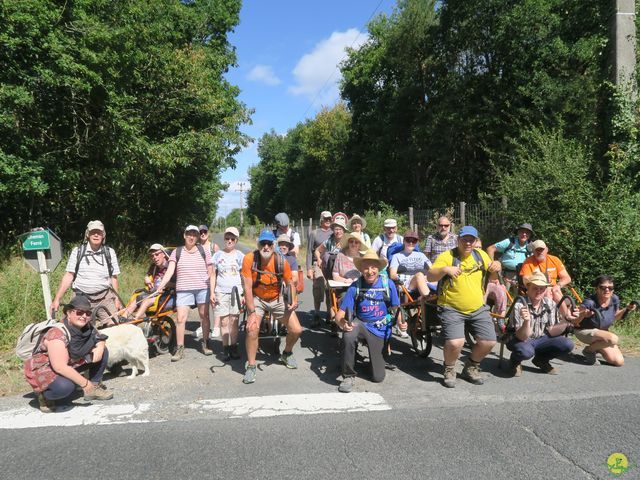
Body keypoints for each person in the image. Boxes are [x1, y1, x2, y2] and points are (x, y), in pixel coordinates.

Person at [427, 225, 501, 388]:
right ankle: (449, 369)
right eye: (464, 239)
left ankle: (471, 366)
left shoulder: (480, 255)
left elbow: (493, 275)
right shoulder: (448, 256)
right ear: (458, 240)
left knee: (489, 341)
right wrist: (445, 269)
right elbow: (430, 276)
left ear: (475, 241)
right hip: (451, 307)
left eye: (471, 240)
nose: (468, 243)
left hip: (477, 307)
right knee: (456, 343)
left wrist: (496, 267)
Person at [24, 296, 114, 413]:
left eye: (87, 313)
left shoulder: (87, 327)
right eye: (79, 312)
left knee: (102, 351)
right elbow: (59, 367)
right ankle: (44, 396)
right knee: (66, 388)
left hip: (70, 362)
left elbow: (99, 337)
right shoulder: (57, 334)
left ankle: (94, 387)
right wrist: (85, 384)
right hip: (45, 368)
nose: (84, 316)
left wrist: (100, 347)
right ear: (69, 313)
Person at [334, 250, 400, 393]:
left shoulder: (388, 284)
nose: (370, 271)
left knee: (378, 377)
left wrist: (401, 322)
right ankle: (348, 375)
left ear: (379, 268)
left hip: (380, 328)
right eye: (366, 267)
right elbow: (339, 315)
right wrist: (342, 324)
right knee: (348, 335)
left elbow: (396, 307)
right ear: (361, 269)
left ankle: (373, 361)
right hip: (361, 323)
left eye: (373, 267)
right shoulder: (355, 286)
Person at [241, 229, 300, 384]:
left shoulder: (281, 262)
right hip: (257, 298)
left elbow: (290, 283)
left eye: (269, 244)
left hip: (276, 298)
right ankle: (251, 366)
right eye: (263, 243)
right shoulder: (249, 259)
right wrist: (252, 312)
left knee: (296, 330)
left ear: (274, 245)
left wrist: (293, 299)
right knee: (252, 329)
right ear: (258, 244)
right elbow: (247, 287)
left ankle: (286, 353)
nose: (266, 247)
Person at [157, 225, 215, 361]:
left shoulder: (203, 250)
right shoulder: (176, 252)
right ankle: (180, 348)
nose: (192, 237)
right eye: (189, 234)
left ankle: (206, 343)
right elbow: (170, 271)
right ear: (184, 235)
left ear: (197, 236)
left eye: (194, 234)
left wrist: (212, 291)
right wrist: (162, 285)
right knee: (180, 319)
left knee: (204, 316)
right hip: (183, 289)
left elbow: (211, 273)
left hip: (202, 288)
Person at [51, 220, 122, 328]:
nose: (96, 235)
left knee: (115, 327)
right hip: (81, 297)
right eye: (93, 232)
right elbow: (69, 276)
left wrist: (117, 300)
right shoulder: (78, 251)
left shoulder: (109, 252)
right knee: (71, 329)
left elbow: (114, 278)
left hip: (105, 298)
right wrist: (57, 299)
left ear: (103, 235)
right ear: (87, 234)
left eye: (99, 232)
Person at [506, 272, 576, 377]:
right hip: (520, 339)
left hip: (541, 338)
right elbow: (521, 336)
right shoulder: (519, 305)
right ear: (528, 288)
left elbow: (552, 331)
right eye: (535, 288)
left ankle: (541, 360)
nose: (539, 291)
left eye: (542, 288)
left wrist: (567, 320)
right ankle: (515, 361)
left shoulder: (550, 303)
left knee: (567, 344)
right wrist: (526, 321)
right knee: (526, 351)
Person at [573, 275, 636, 366]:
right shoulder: (589, 302)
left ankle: (597, 347)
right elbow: (575, 321)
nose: (607, 290)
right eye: (603, 287)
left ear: (613, 289)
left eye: (610, 288)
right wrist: (583, 314)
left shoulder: (614, 299)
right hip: (584, 331)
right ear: (597, 289)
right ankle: (589, 351)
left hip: (602, 334)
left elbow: (615, 317)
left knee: (618, 362)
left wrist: (627, 309)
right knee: (613, 339)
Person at [389, 231, 433, 338]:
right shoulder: (397, 256)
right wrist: (398, 280)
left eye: (414, 241)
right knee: (419, 275)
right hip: (406, 284)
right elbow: (392, 274)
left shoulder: (421, 255)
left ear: (417, 242)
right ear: (404, 241)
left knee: (436, 278)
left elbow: (432, 270)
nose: (411, 243)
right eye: (408, 240)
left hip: (423, 281)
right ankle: (427, 298)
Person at [211, 227, 244, 361]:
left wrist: (243, 296)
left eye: (232, 239)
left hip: (236, 293)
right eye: (227, 238)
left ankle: (233, 347)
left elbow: (244, 276)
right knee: (224, 322)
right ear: (224, 239)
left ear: (236, 240)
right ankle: (225, 348)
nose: (229, 241)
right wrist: (212, 292)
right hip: (221, 292)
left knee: (234, 321)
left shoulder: (240, 256)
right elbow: (213, 275)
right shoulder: (217, 255)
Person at [122, 243, 175, 321]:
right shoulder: (154, 267)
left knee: (146, 301)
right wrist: (147, 279)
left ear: (163, 254)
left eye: (157, 254)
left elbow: (179, 284)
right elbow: (147, 275)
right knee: (136, 298)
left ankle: (135, 319)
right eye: (152, 255)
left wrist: (168, 284)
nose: (154, 257)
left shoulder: (172, 266)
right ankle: (123, 317)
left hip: (166, 294)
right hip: (153, 292)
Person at [314, 215, 350, 325]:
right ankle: (333, 319)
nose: (338, 231)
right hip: (330, 270)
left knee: (346, 294)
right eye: (336, 229)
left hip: (344, 271)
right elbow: (317, 250)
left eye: (340, 229)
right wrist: (319, 259)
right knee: (330, 293)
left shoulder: (349, 241)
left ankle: (343, 316)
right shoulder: (329, 241)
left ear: (344, 230)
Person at [486, 223, 534, 293]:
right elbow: (490, 249)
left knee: (520, 298)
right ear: (518, 232)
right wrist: (492, 264)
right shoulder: (510, 242)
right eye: (522, 232)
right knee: (502, 297)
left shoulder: (531, 246)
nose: (524, 234)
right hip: (505, 275)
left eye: (527, 232)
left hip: (522, 276)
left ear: (530, 235)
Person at [307, 211, 333, 326]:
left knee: (329, 289)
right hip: (317, 264)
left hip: (331, 264)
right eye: (326, 219)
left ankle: (329, 314)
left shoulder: (334, 233)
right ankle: (317, 313)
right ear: (321, 220)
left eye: (329, 219)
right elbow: (309, 252)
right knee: (318, 288)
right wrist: (308, 268)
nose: (328, 221)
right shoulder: (314, 233)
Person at [199, 224, 220, 338]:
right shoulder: (196, 247)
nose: (203, 234)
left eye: (205, 232)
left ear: (208, 233)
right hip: (201, 279)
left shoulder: (214, 247)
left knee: (214, 302)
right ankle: (202, 325)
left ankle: (216, 327)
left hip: (213, 277)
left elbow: (220, 262)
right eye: (201, 232)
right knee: (202, 303)